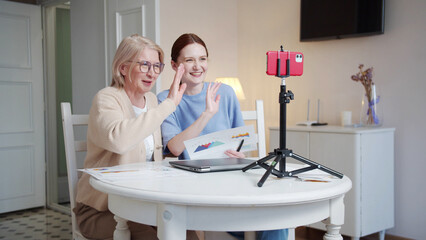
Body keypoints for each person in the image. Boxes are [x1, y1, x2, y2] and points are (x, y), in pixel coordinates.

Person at [157, 33, 288, 240]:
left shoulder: (225, 92)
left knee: (277, 218)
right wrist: (207, 114)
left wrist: (239, 153)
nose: (198, 66)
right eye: (189, 60)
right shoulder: (166, 99)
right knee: (266, 221)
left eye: (202, 59)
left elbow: (241, 141)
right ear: (175, 65)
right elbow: (175, 148)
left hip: (233, 179)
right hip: (195, 186)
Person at [73, 34, 199, 240]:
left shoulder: (150, 100)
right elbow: (119, 141)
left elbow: (154, 157)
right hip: (102, 210)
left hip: (142, 203)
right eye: (144, 65)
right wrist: (169, 104)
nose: (152, 73)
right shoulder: (106, 98)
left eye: (157, 66)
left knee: (187, 233)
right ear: (123, 68)